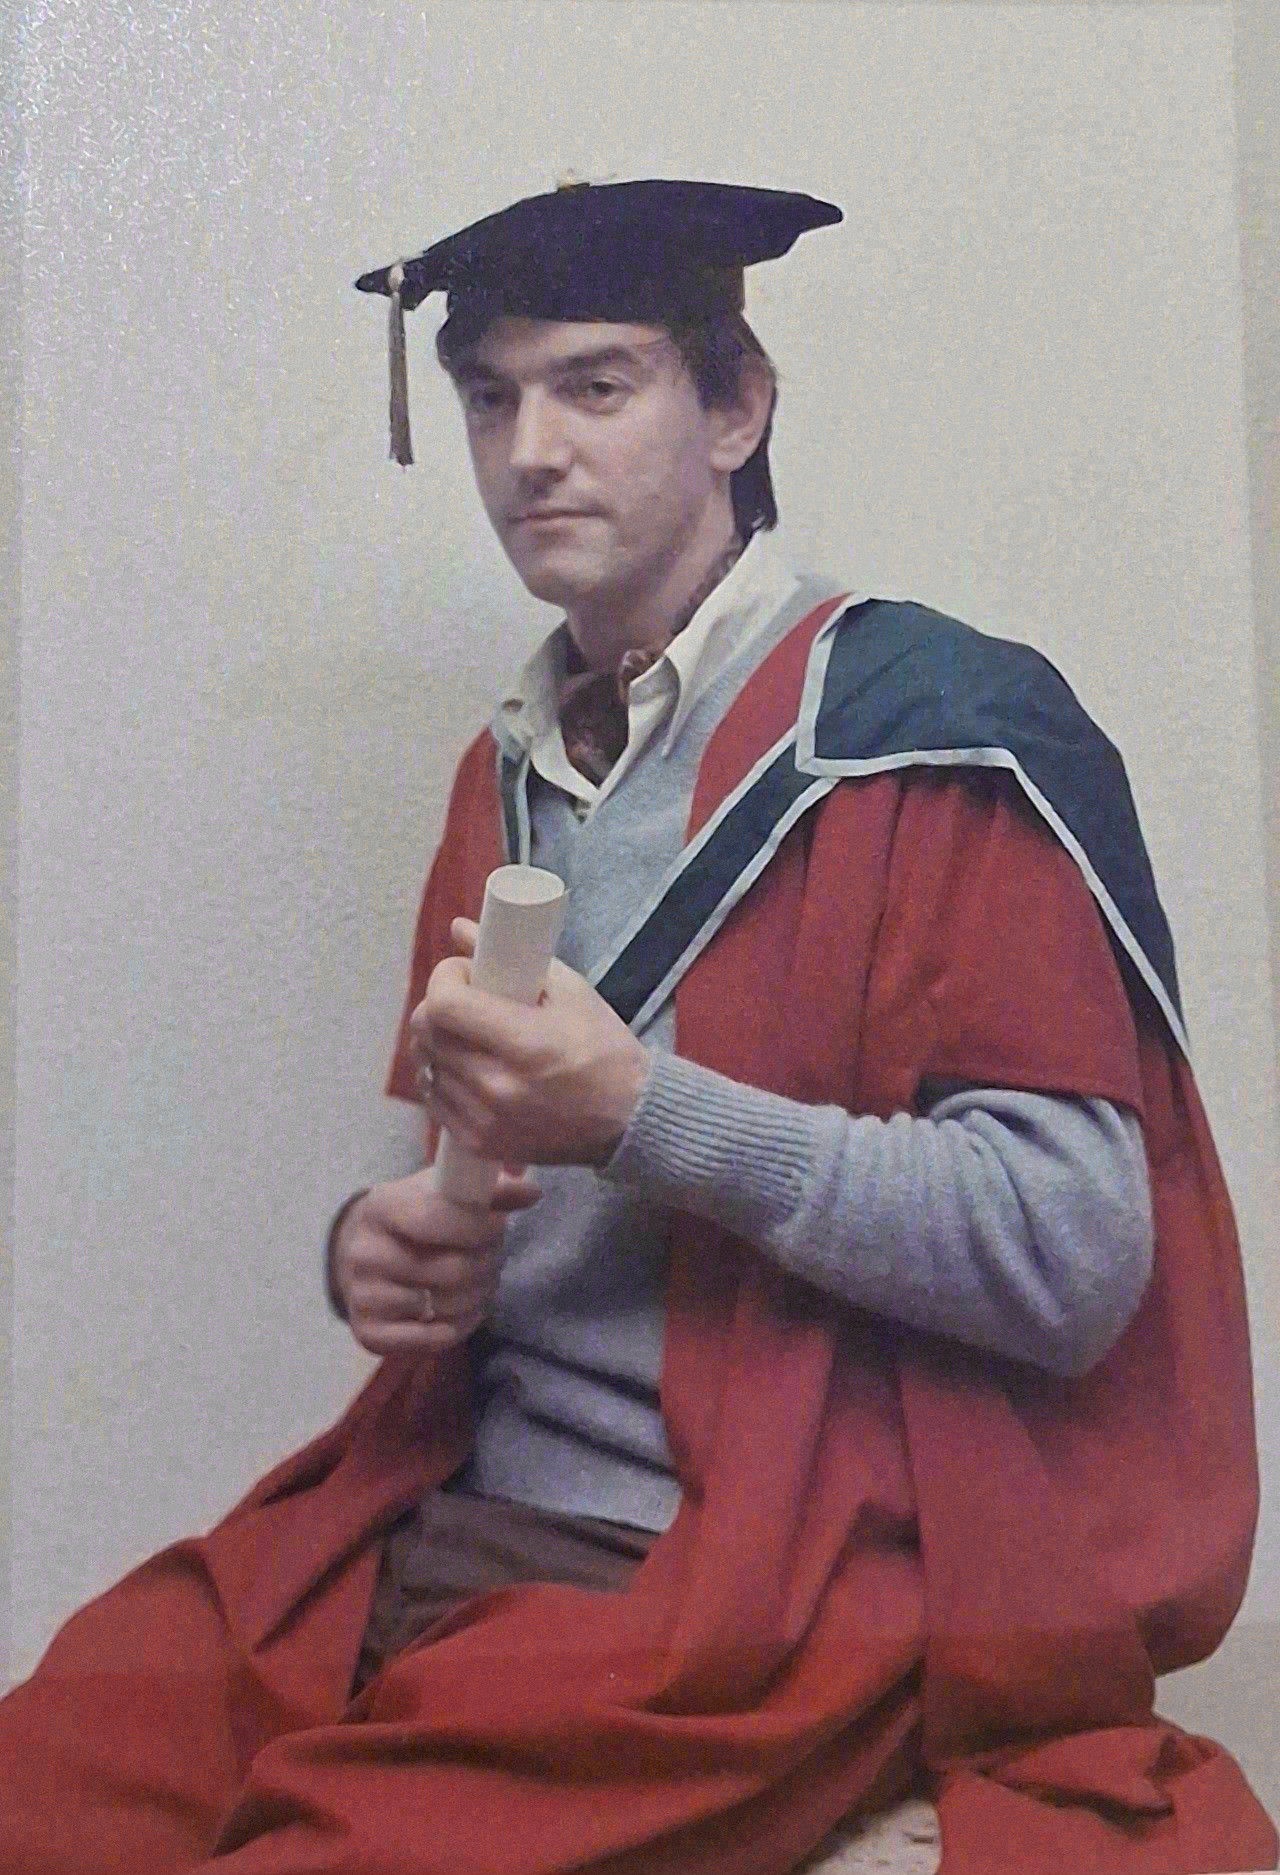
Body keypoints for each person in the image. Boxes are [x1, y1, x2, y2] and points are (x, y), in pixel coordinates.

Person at [0, 178, 1274, 1875]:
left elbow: (1073, 1254)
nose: (530, 453)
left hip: (744, 1577)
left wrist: (643, 1112)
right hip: (440, 1509)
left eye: (595, 386)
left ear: (736, 408)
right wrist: (386, 1246)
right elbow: (490, 1201)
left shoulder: (937, 740)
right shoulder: (507, 775)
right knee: (50, 1780)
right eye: (490, 398)